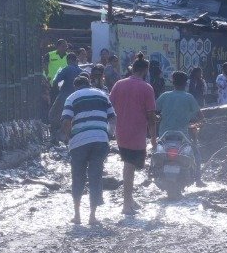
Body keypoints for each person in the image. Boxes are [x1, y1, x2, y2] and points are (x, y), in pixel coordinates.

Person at [62, 71, 115, 226]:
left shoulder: (72, 97)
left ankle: (77, 215)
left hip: (79, 142)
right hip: (100, 140)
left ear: (76, 86)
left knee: (78, 176)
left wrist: (67, 137)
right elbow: (113, 117)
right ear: (89, 84)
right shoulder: (102, 95)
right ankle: (92, 216)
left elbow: (66, 121)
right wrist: (109, 134)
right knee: (95, 176)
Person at [109, 56, 159, 215]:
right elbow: (151, 116)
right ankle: (126, 204)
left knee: (130, 165)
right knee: (130, 167)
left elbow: (109, 106)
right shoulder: (146, 88)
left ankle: (130, 200)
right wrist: (153, 137)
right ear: (145, 70)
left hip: (121, 132)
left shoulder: (119, 84)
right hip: (137, 133)